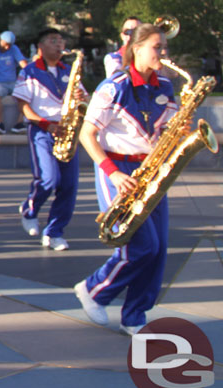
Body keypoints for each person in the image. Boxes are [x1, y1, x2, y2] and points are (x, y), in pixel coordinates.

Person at [74, 23, 178, 336]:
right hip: (117, 168)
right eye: (157, 47)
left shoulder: (166, 87)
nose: (163, 52)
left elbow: (164, 132)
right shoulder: (113, 86)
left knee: (158, 250)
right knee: (141, 246)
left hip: (152, 170)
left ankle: (134, 316)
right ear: (137, 48)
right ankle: (94, 289)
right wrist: (113, 172)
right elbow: (87, 134)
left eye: (163, 47)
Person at [12, 28, 85, 250]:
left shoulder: (69, 71)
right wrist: (46, 124)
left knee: (69, 185)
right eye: (53, 40)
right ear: (41, 47)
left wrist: (82, 97)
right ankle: (30, 209)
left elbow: (82, 100)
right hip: (41, 130)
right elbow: (23, 105)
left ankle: (54, 232)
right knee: (48, 178)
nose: (59, 44)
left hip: (67, 132)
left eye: (61, 40)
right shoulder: (31, 72)